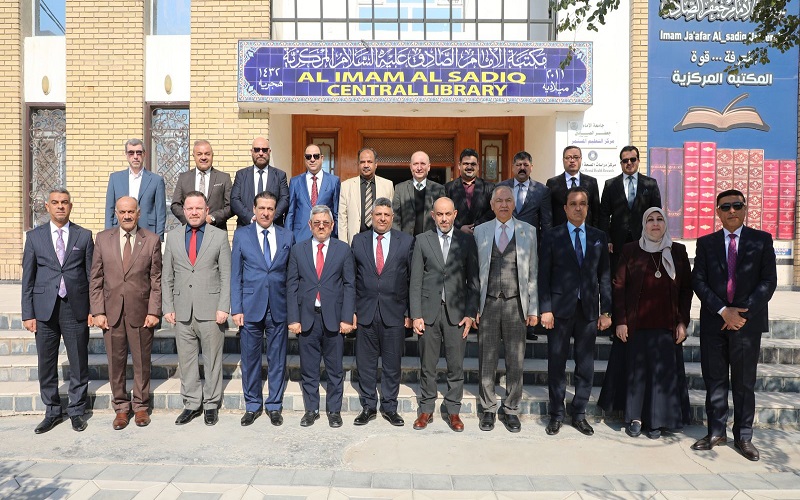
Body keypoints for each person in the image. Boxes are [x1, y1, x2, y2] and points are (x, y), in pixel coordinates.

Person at [691, 189, 777, 461]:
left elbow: (768, 282)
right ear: (717, 212)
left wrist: (740, 314)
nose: (731, 211)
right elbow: (698, 281)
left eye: (737, 206)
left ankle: (744, 436)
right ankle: (716, 431)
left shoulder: (761, 240)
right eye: (725, 207)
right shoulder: (706, 243)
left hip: (746, 325)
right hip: (714, 323)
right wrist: (722, 311)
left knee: (744, 383)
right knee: (714, 380)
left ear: (745, 209)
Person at [597, 207, 692, 439]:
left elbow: (686, 291)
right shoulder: (631, 250)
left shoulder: (677, 251)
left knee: (661, 374)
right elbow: (619, 287)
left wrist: (682, 322)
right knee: (637, 372)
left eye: (659, 219)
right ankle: (635, 418)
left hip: (667, 325)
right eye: (650, 219)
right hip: (636, 325)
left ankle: (657, 421)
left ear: (666, 224)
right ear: (644, 224)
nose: (655, 223)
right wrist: (621, 321)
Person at [539, 186, 612, 436]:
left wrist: (607, 311)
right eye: (573, 204)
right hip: (559, 311)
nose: (578, 208)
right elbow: (543, 275)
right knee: (556, 364)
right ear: (565, 208)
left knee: (586, 365)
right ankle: (556, 414)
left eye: (582, 204)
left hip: (588, 310)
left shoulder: (598, 237)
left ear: (588, 208)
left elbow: (604, 276)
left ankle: (579, 413)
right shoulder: (552, 236)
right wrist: (545, 309)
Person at [22, 189, 94, 434]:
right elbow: (28, 278)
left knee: (79, 361)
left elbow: (92, 276)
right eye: (55, 202)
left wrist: (93, 309)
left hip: (75, 308)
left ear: (70, 206)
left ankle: (76, 410)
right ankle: (52, 411)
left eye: (64, 202)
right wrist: (27, 314)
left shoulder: (84, 236)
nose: (60, 206)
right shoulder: (34, 237)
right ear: (47, 206)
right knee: (46, 363)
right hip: (44, 310)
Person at [90, 196, 162, 430]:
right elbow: (96, 279)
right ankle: (121, 407)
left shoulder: (151, 240)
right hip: (111, 313)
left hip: (141, 312)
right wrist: (98, 311)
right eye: (122, 212)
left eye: (131, 211)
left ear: (138, 213)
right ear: (116, 214)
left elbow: (156, 279)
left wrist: (154, 311)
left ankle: (140, 406)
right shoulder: (102, 239)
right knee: (116, 363)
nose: (127, 216)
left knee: (142, 362)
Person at [409, 197, 479, 432]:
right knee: (427, 365)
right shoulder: (422, 240)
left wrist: (470, 314)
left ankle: (453, 411)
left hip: (456, 314)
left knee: (455, 365)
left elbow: (473, 281)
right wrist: (416, 314)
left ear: (455, 214)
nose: (444, 218)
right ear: (433, 215)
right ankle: (426, 409)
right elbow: (415, 281)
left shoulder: (466, 241)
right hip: (428, 313)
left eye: (448, 214)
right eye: (439, 214)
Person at [162, 191, 231, 426]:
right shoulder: (173, 237)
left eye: (198, 208)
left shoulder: (219, 236)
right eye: (189, 208)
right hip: (182, 309)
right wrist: (168, 306)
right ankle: (192, 403)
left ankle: (211, 404)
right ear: (184, 211)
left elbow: (226, 275)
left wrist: (223, 307)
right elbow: (167, 276)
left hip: (211, 310)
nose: (193, 212)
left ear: (206, 210)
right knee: (187, 360)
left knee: (212, 360)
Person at [473, 186, 538, 433]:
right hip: (488, 303)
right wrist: (474, 307)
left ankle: (511, 409)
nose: (503, 204)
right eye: (498, 200)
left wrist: (533, 309)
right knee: (486, 359)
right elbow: (474, 274)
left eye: (508, 200)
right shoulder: (480, 231)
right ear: (491, 205)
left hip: (516, 303)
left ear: (514, 204)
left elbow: (533, 273)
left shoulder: (528, 231)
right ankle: (488, 409)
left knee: (515, 359)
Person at [287, 205, 355, 428]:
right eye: (317, 223)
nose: (321, 226)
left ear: (332, 225)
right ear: (310, 225)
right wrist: (293, 318)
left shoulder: (343, 250)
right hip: (307, 318)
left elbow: (349, 284)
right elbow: (292, 286)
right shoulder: (298, 250)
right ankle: (311, 410)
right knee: (309, 369)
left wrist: (347, 318)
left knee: (335, 369)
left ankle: (334, 411)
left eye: (326, 223)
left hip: (334, 319)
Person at [231, 191, 294, 427]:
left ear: (275, 211)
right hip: (250, 307)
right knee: (250, 359)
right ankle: (253, 405)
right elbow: (236, 274)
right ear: (254, 210)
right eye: (262, 208)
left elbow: (291, 276)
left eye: (270, 209)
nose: (266, 213)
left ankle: (274, 406)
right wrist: (236, 308)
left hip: (278, 306)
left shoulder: (287, 236)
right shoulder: (242, 235)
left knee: (277, 359)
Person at [351, 198, 414, 427]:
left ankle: (389, 407)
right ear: (372, 216)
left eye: (387, 215)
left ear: (392, 217)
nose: (382, 218)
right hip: (365, 311)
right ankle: (368, 406)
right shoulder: (358, 241)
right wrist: (352, 311)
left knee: (392, 363)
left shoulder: (405, 241)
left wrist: (410, 311)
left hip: (394, 312)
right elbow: (351, 279)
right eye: (378, 214)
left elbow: (412, 279)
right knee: (365, 363)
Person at [599, 145, 662, 273]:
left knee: (642, 276)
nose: (629, 163)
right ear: (621, 163)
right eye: (625, 160)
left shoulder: (650, 184)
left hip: (643, 239)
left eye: (633, 159)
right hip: (617, 242)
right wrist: (607, 239)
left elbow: (656, 213)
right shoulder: (610, 185)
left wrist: (655, 237)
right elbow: (603, 215)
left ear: (638, 161)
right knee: (619, 276)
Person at [105, 138, 167, 240]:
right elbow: (109, 209)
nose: (135, 156)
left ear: (144, 154)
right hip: (119, 231)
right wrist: (108, 236)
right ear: (126, 155)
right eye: (131, 153)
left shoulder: (156, 180)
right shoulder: (115, 178)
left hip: (147, 232)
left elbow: (161, 213)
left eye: (139, 153)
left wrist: (159, 239)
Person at [171, 140, 233, 230]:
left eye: (207, 154)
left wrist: (212, 218)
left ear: (212, 155)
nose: (203, 157)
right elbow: (175, 205)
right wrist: (190, 219)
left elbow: (231, 206)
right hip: (189, 231)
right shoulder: (183, 178)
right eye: (199, 154)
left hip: (216, 230)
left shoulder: (224, 178)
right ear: (194, 156)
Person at [338, 147, 394, 245]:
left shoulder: (387, 185)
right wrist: (344, 246)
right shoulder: (346, 186)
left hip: (381, 240)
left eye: (369, 162)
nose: (366, 165)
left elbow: (391, 215)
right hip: (355, 240)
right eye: (362, 162)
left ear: (376, 164)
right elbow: (342, 219)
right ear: (358, 164)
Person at [230, 137, 290, 227]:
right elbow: (234, 200)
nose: (261, 153)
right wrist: (251, 217)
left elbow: (284, 199)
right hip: (246, 226)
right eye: (257, 150)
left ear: (269, 151)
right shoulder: (241, 175)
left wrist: (269, 217)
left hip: (273, 227)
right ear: (252, 152)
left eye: (264, 150)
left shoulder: (280, 175)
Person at [285, 144, 341, 241]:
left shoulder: (333, 181)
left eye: (316, 156)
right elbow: (290, 212)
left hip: (325, 235)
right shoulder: (295, 182)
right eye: (308, 157)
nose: (312, 159)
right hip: (300, 236)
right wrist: (287, 237)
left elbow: (336, 213)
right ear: (305, 159)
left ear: (322, 158)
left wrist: (336, 236)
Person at [497, 151, 552, 235]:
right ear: (512, 167)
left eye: (526, 165)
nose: (522, 168)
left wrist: (544, 242)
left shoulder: (542, 190)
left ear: (531, 167)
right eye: (518, 165)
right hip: (504, 237)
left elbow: (546, 223)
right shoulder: (500, 188)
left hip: (530, 239)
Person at [392, 151, 446, 236]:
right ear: (411, 167)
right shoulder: (400, 188)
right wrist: (398, 239)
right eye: (415, 164)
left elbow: (442, 217)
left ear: (429, 167)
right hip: (406, 240)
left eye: (423, 164)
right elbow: (395, 218)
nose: (419, 168)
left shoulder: (438, 189)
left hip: (431, 239)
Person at [546, 145, 601, 228]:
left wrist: (594, 231)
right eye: (568, 157)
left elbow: (596, 211)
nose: (572, 161)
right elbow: (548, 212)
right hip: (560, 231)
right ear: (563, 160)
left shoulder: (591, 182)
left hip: (586, 231)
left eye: (576, 157)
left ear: (581, 159)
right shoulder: (552, 183)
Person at [445, 148, 494, 235]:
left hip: (482, 235)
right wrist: (459, 227)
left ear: (478, 166)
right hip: (456, 236)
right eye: (466, 164)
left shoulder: (489, 187)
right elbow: (444, 211)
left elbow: (493, 210)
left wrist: (477, 226)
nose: (469, 167)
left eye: (473, 164)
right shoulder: (448, 188)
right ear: (459, 165)